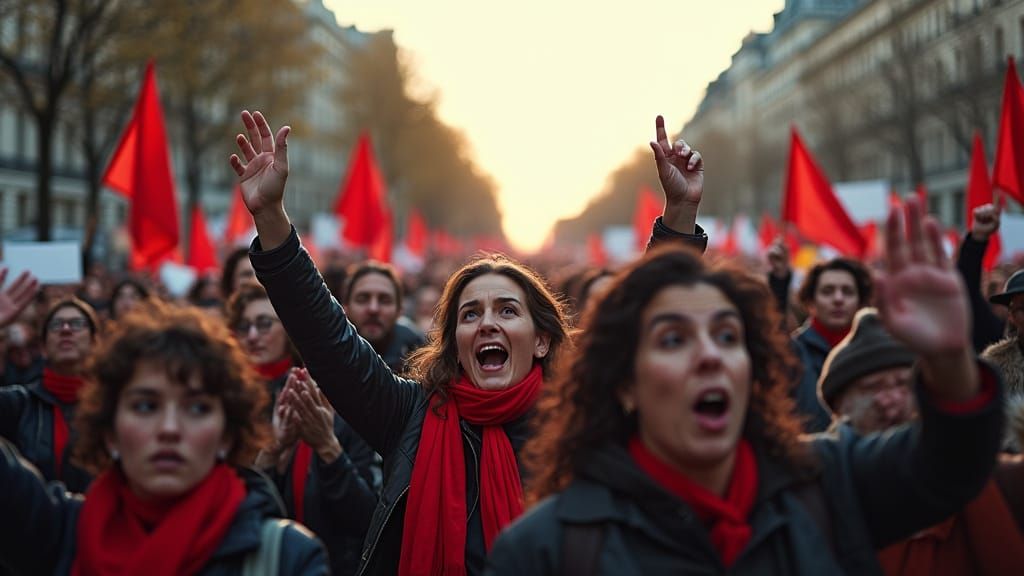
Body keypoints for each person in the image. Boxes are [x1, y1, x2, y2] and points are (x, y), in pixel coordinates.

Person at [487, 199, 1004, 575]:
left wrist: (947, 357)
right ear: (624, 384)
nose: (710, 353)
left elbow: (952, 464)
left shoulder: (829, 481)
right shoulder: (545, 550)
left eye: (727, 335)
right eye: (673, 339)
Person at [0, 303, 328, 575]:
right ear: (111, 432)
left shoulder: (288, 560)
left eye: (197, 408)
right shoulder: (60, 533)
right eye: (146, 406)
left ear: (226, 435)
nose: (169, 428)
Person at [817, 308, 1024, 575]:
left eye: (903, 385)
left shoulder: (992, 480)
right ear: (839, 409)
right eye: (871, 387)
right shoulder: (817, 496)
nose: (890, 401)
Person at [227, 281, 379, 576]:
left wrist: (327, 447)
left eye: (264, 324)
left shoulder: (330, 398)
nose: (253, 335)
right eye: (244, 326)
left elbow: (367, 519)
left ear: (288, 329)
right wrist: (273, 452)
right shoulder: (226, 404)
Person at [0, 295, 101, 492]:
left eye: (77, 324)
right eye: (56, 325)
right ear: (44, 348)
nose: (66, 330)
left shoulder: (114, 405)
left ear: (95, 344)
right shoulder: (19, 404)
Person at [790, 257, 873, 432]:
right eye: (827, 291)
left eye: (848, 291)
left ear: (860, 302)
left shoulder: (875, 354)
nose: (838, 299)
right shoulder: (792, 352)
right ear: (811, 302)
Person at [343, 262, 426, 373]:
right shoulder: (324, 353)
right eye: (362, 299)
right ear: (345, 308)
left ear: (399, 311)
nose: (373, 309)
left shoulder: (419, 355)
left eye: (385, 300)